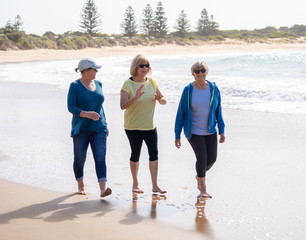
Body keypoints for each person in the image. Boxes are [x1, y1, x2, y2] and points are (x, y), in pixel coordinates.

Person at [174, 60, 225, 199]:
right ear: (193, 74)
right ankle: (203, 189)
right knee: (201, 158)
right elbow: (181, 113)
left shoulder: (214, 89)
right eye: (197, 71)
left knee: (212, 159)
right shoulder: (188, 90)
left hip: (210, 130)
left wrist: (222, 129)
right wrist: (177, 134)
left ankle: (199, 175)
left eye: (203, 70)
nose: (200, 73)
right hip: (194, 131)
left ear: (207, 72)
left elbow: (218, 110)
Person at [120, 54, 167, 194]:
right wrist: (135, 97)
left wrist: (160, 99)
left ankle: (155, 185)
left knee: (154, 154)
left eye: (147, 65)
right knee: (136, 154)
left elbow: (163, 100)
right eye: (142, 65)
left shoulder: (151, 82)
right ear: (135, 67)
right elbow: (122, 105)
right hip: (133, 126)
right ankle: (135, 184)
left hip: (150, 126)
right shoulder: (128, 84)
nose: (145, 68)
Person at [67, 58, 112, 198]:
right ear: (86, 71)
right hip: (81, 128)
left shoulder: (99, 84)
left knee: (100, 157)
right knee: (80, 157)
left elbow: (100, 107)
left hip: (99, 127)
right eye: (94, 69)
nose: (97, 71)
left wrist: (106, 124)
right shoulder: (75, 85)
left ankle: (103, 189)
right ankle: (80, 185)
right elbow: (71, 107)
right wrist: (86, 114)